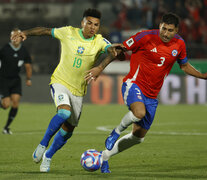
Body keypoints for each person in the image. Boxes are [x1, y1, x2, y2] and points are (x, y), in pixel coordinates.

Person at [85, 13, 207, 173]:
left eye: (170, 30)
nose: (165, 33)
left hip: (151, 95)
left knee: (138, 137)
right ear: (160, 26)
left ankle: (104, 157)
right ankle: (115, 132)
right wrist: (100, 68)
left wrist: (203, 76)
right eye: (163, 28)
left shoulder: (179, 44)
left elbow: (184, 66)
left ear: (176, 30)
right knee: (139, 113)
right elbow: (118, 49)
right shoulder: (145, 37)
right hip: (133, 84)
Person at [11, 8, 118, 173]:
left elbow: (112, 52)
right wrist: (25, 32)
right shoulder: (68, 32)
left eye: (96, 24)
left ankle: (48, 155)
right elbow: (45, 31)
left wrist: (100, 67)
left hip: (78, 91)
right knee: (63, 113)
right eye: (89, 23)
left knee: (69, 130)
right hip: (60, 82)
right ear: (82, 23)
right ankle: (43, 144)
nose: (92, 27)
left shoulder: (99, 41)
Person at [0, 28, 32, 135]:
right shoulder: (5, 49)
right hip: (3, 79)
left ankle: (6, 127)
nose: (15, 38)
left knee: (15, 102)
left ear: (21, 37)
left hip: (15, 80)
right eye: (13, 36)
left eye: (17, 36)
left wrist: (28, 79)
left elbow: (28, 66)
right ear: (10, 38)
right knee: (6, 105)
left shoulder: (24, 51)